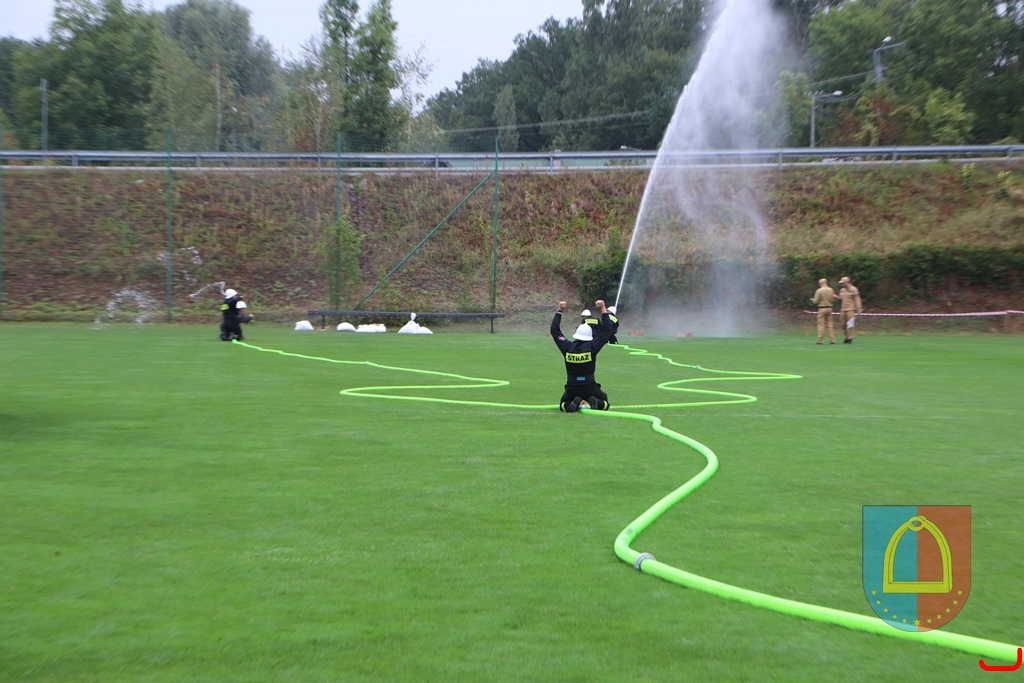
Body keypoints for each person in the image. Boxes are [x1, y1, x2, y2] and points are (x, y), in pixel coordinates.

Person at [551, 299, 613, 413]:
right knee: (605, 402)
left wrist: (560, 310)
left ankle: (573, 403)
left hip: (572, 386)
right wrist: (603, 308)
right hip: (589, 385)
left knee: (563, 404)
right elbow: (607, 331)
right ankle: (595, 401)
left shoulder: (567, 347)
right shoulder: (592, 346)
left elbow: (555, 331)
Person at [811, 278, 837, 344]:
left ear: (821, 283)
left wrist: (813, 300)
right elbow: (833, 300)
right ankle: (832, 339)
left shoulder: (819, 290)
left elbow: (815, 301)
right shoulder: (831, 290)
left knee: (821, 325)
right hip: (830, 308)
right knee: (830, 325)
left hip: (822, 308)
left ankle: (820, 340)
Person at [837, 276, 863, 343]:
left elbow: (857, 299)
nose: (842, 284)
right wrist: (834, 296)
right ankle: (846, 336)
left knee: (850, 324)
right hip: (843, 309)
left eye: (842, 283)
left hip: (851, 309)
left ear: (847, 282)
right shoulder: (842, 290)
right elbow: (840, 297)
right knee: (843, 325)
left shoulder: (854, 289)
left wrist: (859, 308)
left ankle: (850, 338)